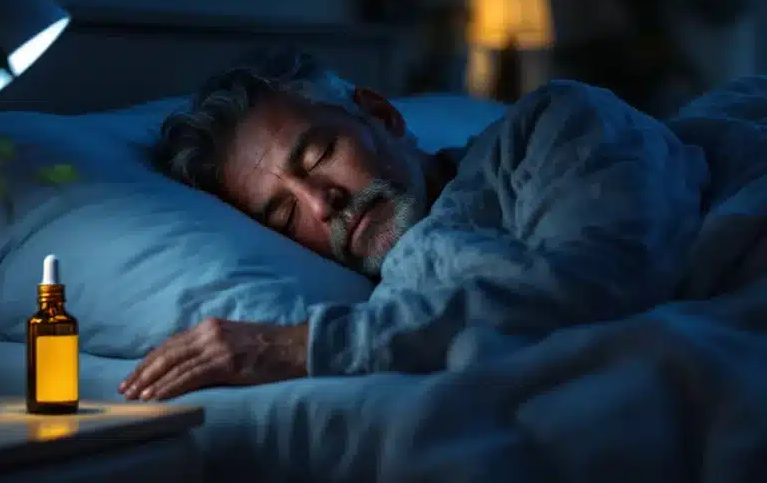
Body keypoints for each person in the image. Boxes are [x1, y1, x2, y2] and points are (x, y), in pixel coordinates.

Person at [119, 48, 708, 401]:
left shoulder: (551, 126)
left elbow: (608, 280)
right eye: (283, 213)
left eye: (319, 153)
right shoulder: (391, 303)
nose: (322, 203)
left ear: (381, 114)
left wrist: (296, 347)